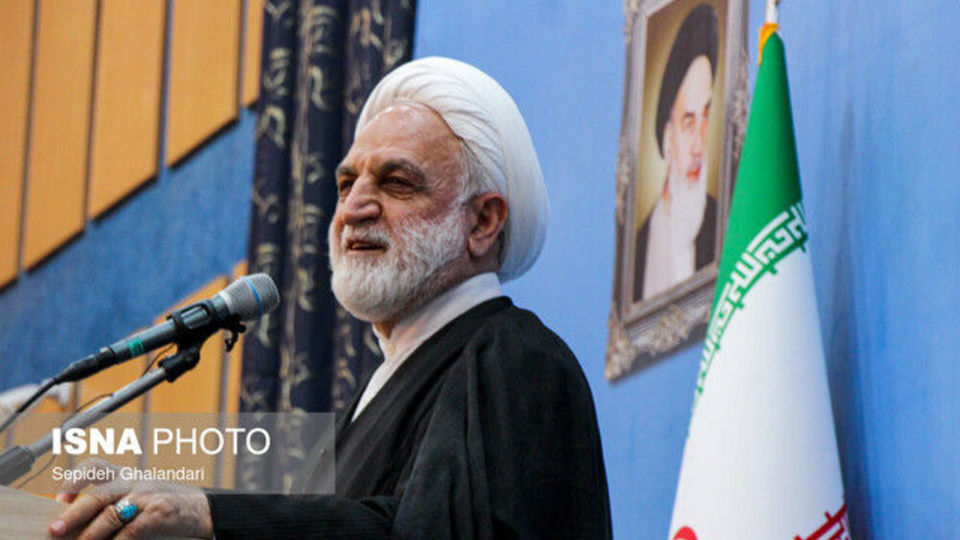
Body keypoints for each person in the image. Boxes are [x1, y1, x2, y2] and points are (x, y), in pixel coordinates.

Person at [49, 57, 612, 539]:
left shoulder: (517, 359)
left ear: (483, 222)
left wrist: (208, 513)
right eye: (346, 184)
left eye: (397, 182)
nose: (354, 209)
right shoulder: (364, 406)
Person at [634, 4, 719, 302]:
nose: (699, 145)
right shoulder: (639, 246)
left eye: (706, 115)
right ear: (667, 135)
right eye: (688, 121)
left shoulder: (724, 226)